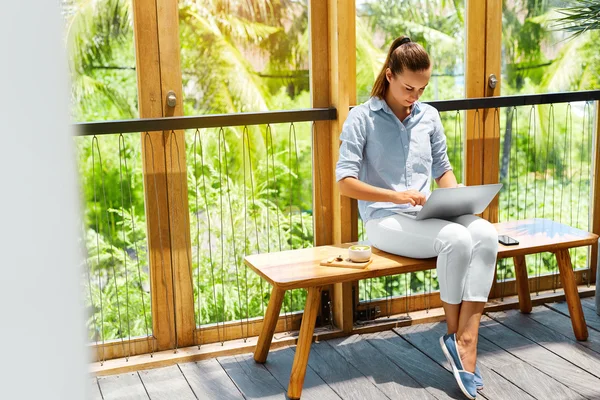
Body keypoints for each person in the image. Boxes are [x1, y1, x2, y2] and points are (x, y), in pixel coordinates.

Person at [335, 36, 498, 400]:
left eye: (422, 88)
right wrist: (396, 195)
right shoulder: (362, 118)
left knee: (485, 233)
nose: (415, 95)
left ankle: (464, 338)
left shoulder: (429, 116)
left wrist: (458, 200)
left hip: (428, 214)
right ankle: (459, 340)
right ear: (389, 75)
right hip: (385, 220)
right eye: (409, 87)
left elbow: (443, 169)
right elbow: (344, 182)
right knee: (456, 240)